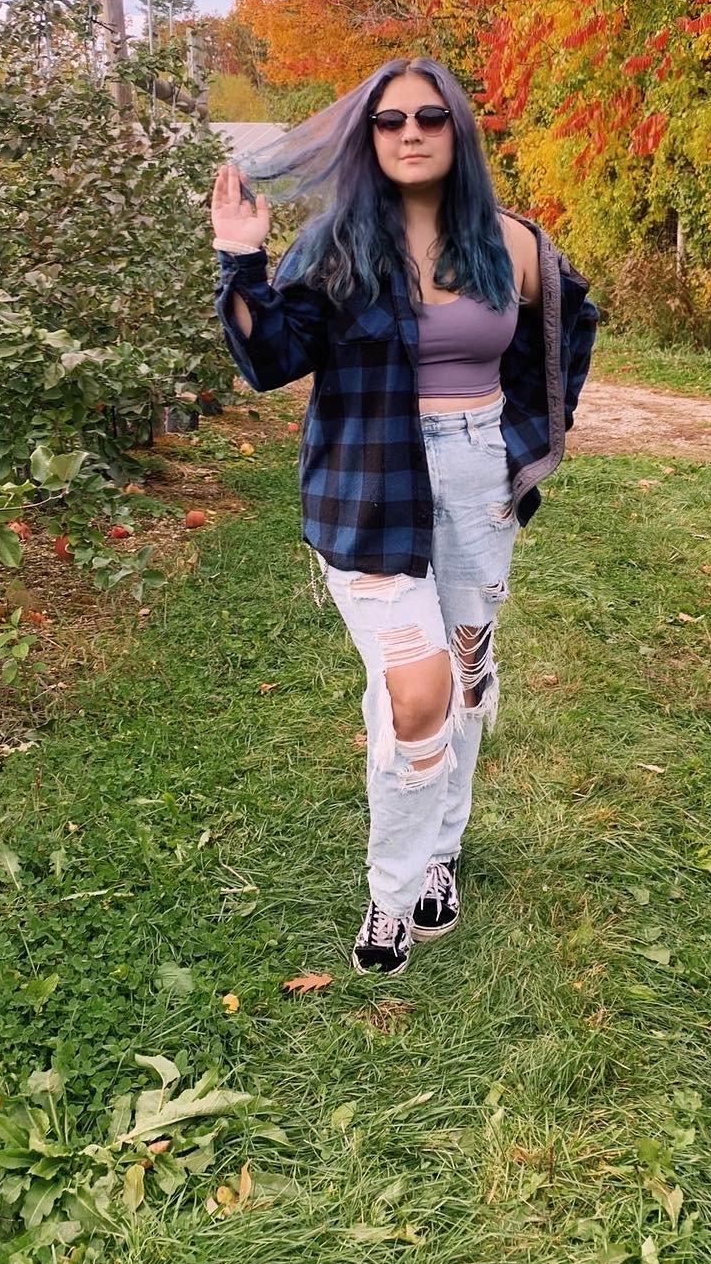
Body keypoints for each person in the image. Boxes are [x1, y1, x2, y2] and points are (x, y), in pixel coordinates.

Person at [209, 56, 596, 975]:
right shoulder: (337, 246)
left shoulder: (509, 244)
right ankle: (392, 891)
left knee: (461, 676)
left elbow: (567, 328)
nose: (410, 132)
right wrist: (241, 261)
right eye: (390, 121)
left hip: (476, 481)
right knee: (416, 687)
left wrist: (527, 437)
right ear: (368, 137)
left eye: (430, 117)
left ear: (457, 132)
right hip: (368, 480)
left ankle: (442, 857)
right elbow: (273, 360)